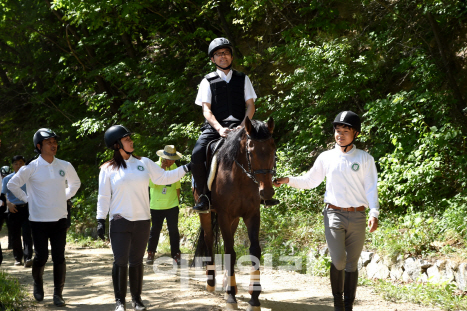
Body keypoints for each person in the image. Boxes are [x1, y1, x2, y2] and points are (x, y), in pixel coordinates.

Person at [274, 111, 379, 311]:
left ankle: (348, 306)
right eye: (337, 131)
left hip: (358, 215)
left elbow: (371, 188)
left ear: (355, 133)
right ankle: (338, 303)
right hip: (334, 214)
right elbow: (310, 181)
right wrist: (289, 180)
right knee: (339, 259)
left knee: (352, 263)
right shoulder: (326, 157)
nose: (339, 135)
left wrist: (374, 213)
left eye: (345, 131)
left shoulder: (365, 159)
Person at [97, 125, 191, 311]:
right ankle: (119, 302)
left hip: (142, 221)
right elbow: (103, 196)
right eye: (126, 139)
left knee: (137, 261)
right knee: (120, 261)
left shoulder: (144, 163)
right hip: (120, 221)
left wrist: (188, 167)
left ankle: (137, 300)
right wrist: (100, 219)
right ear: (116, 145)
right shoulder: (107, 169)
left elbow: (164, 177)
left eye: (130, 138)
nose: (131, 141)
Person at [7, 128, 81, 307]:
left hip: (60, 219)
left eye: (54, 142)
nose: (53, 145)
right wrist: (28, 199)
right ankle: (38, 284)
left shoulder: (64, 165)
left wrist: (64, 196)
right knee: (40, 257)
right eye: (49, 142)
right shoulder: (31, 167)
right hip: (38, 220)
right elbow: (12, 184)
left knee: (59, 257)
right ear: (39, 146)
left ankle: (58, 294)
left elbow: (75, 183)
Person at [191, 37, 257, 213]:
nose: (223, 56)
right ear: (212, 59)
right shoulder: (207, 81)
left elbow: (250, 105)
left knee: (263, 143)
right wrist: (219, 129)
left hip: (240, 125)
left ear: (231, 56)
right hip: (215, 128)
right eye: (219, 54)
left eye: (226, 53)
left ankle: (264, 191)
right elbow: (206, 110)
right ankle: (204, 196)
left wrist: (243, 125)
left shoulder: (243, 78)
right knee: (197, 153)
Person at [146, 145, 183, 265]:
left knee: (173, 230)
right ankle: (151, 252)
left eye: (174, 159)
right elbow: (152, 185)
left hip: (172, 204)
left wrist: (177, 202)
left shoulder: (174, 167)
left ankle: (176, 254)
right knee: (155, 230)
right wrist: (161, 169)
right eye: (170, 159)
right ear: (164, 158)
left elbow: (177, 186)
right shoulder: (154, 167)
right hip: (157, 205)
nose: (172, 161)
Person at [2, 155, 33, 267]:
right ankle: (17, 258)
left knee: (27, 233)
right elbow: (3, 194)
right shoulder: (7, 178)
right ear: (12, 165)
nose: (19, 165)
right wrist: (8, 203)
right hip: (13, 209)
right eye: (16, 163)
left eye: (21, 163)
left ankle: (28, 257)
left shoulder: (30, 177)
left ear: (24, 164)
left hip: (27, 208)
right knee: (15, 235)